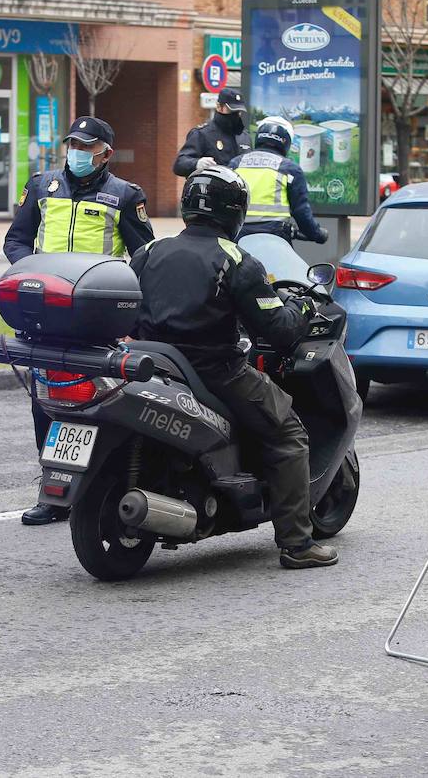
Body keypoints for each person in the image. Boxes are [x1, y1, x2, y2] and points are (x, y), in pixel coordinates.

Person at [129, 166, 338, 569]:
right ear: (234, 211)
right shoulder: (237, 261)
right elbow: (278, 330)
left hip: (152, 367)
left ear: (188, 206)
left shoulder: (148, 252)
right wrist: (303, 305)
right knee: (289, 433)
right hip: (216, 372)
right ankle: (297, 544)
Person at [4, 116, 155, 524]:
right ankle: (53, 493)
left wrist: (125, 299)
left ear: (105, 153)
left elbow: (145, 256)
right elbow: (16, 239)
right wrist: (30, 271)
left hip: (99, 315)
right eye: (73, 144)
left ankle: (103, 485)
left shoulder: (125, 195)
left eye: (87, 147)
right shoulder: (41, 186)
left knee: (105, 398)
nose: (78, 153)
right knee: (45, 400)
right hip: (48, 311)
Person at [228, 117, 328, 244]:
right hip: (274, 239)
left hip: (237, 238)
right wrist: (317, 234)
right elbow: (301, 211)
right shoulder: (290, 169)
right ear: (286, 141)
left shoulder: (236, 163)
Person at [172, 88, 251, 177]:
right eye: (231, 111)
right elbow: (179, 164)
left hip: (240, 188)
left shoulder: (245, 137)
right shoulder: (202, 134)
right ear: (218, 107)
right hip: (211, 188)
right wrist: (197, 164)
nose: (236, 115)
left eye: (238, 112)